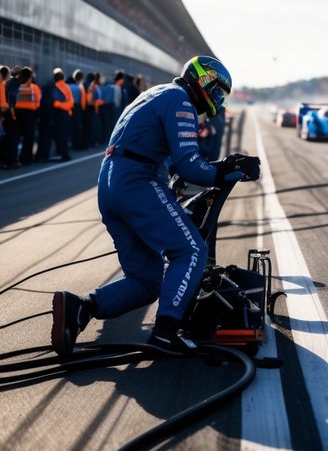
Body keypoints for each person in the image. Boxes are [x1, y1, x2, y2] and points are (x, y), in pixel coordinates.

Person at [51, 56, 260, 356]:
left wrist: (221, 167)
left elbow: (169, 158)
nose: (217, 99)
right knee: (191, 250)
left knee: (147, 281)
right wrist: (227, 168)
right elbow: (190, 166)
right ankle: (165, 332)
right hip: (137, 180)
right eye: (217, 91)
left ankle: (81, 308)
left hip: (110, 185)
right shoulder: (181, 100)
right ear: (202, 80)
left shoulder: (156, 93)